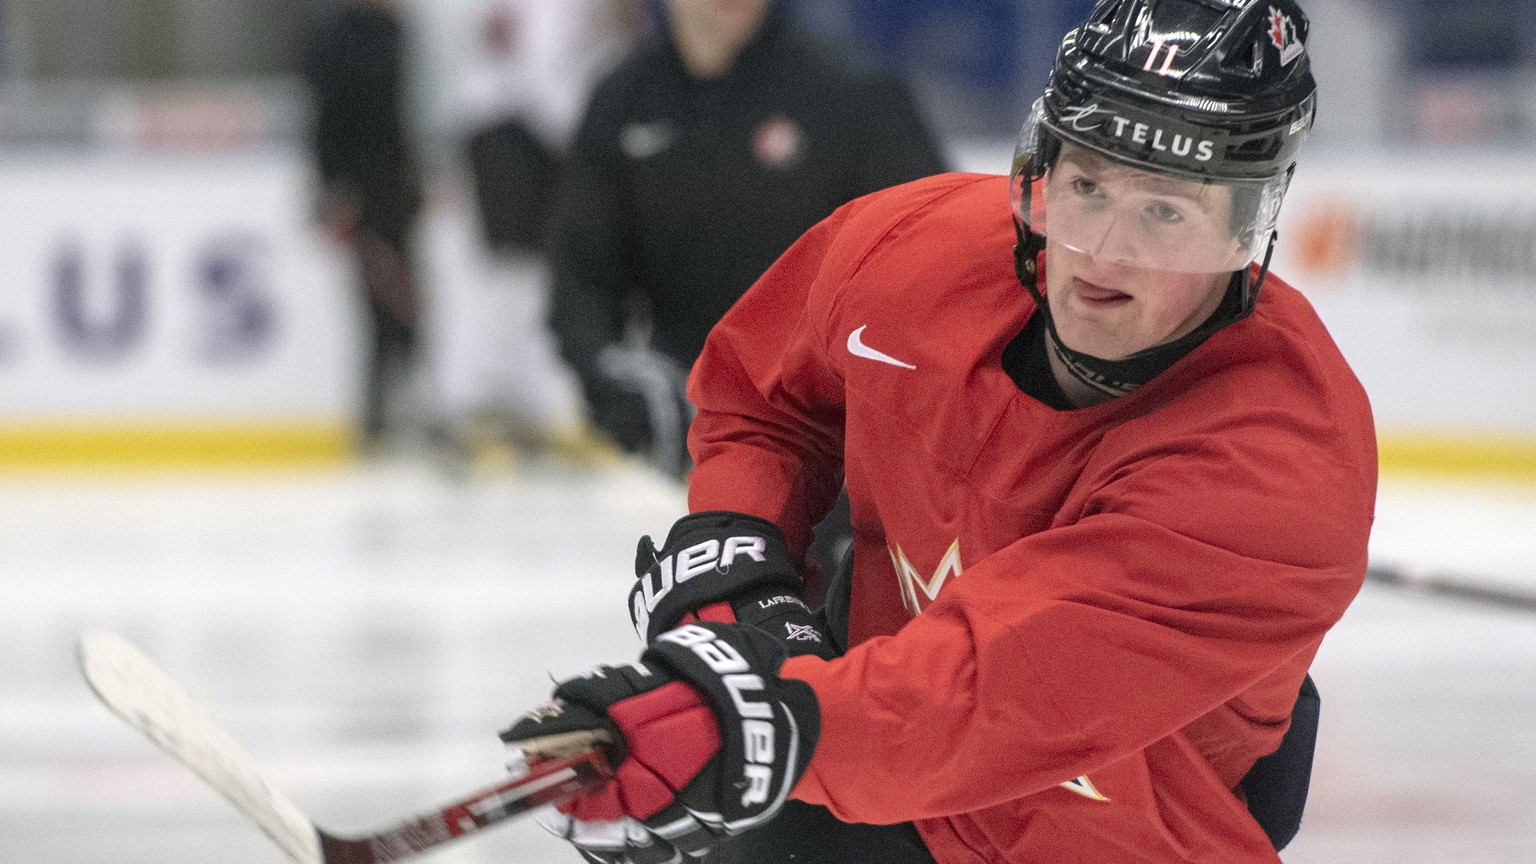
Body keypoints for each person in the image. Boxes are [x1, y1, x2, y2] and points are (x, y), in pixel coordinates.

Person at [501, 1, 1377, 863]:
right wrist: (743, 568)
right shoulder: (917, 249)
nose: (1104, 255)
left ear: (1244, 229)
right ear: (1041, 169)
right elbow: (764, 395)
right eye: (1086, 188)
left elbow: (985, 696)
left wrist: (743, 728)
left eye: (1165, 213)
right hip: (867, 779)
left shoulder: (1280, 460)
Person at [547, 0, 947, 478]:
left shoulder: (851, 91)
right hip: (699, 428)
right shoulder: (624, 100)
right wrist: (611, 375)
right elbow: (583, 275)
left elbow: (930, 255)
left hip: (832, 430)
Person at [434, 0, 638, 461]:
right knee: (514, 274)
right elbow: (543, 70)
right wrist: (589, 139)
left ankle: (516, 405)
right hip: (516, 134)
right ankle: (480, 405)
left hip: (506, 129)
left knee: (521, 273)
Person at [302, 0, 425, 452]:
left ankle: (398, 408)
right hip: (360, 192)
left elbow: (407, 116)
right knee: (379, 305)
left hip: (398, 190)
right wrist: (333, 189)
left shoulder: (399, 34)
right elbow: (325, 121)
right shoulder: (335, 37)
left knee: (406, 303)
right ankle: (378, 417)